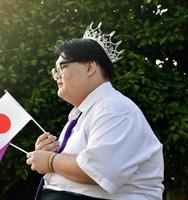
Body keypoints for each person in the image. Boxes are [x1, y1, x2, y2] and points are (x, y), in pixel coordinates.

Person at [26, 22, 164, 200]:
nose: (57, 76)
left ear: (90, 67)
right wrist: (48, 154)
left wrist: (51, 161)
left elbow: (97, 170)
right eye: (55, 70)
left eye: (63, 67)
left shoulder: (115, 109)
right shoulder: (85, 113)